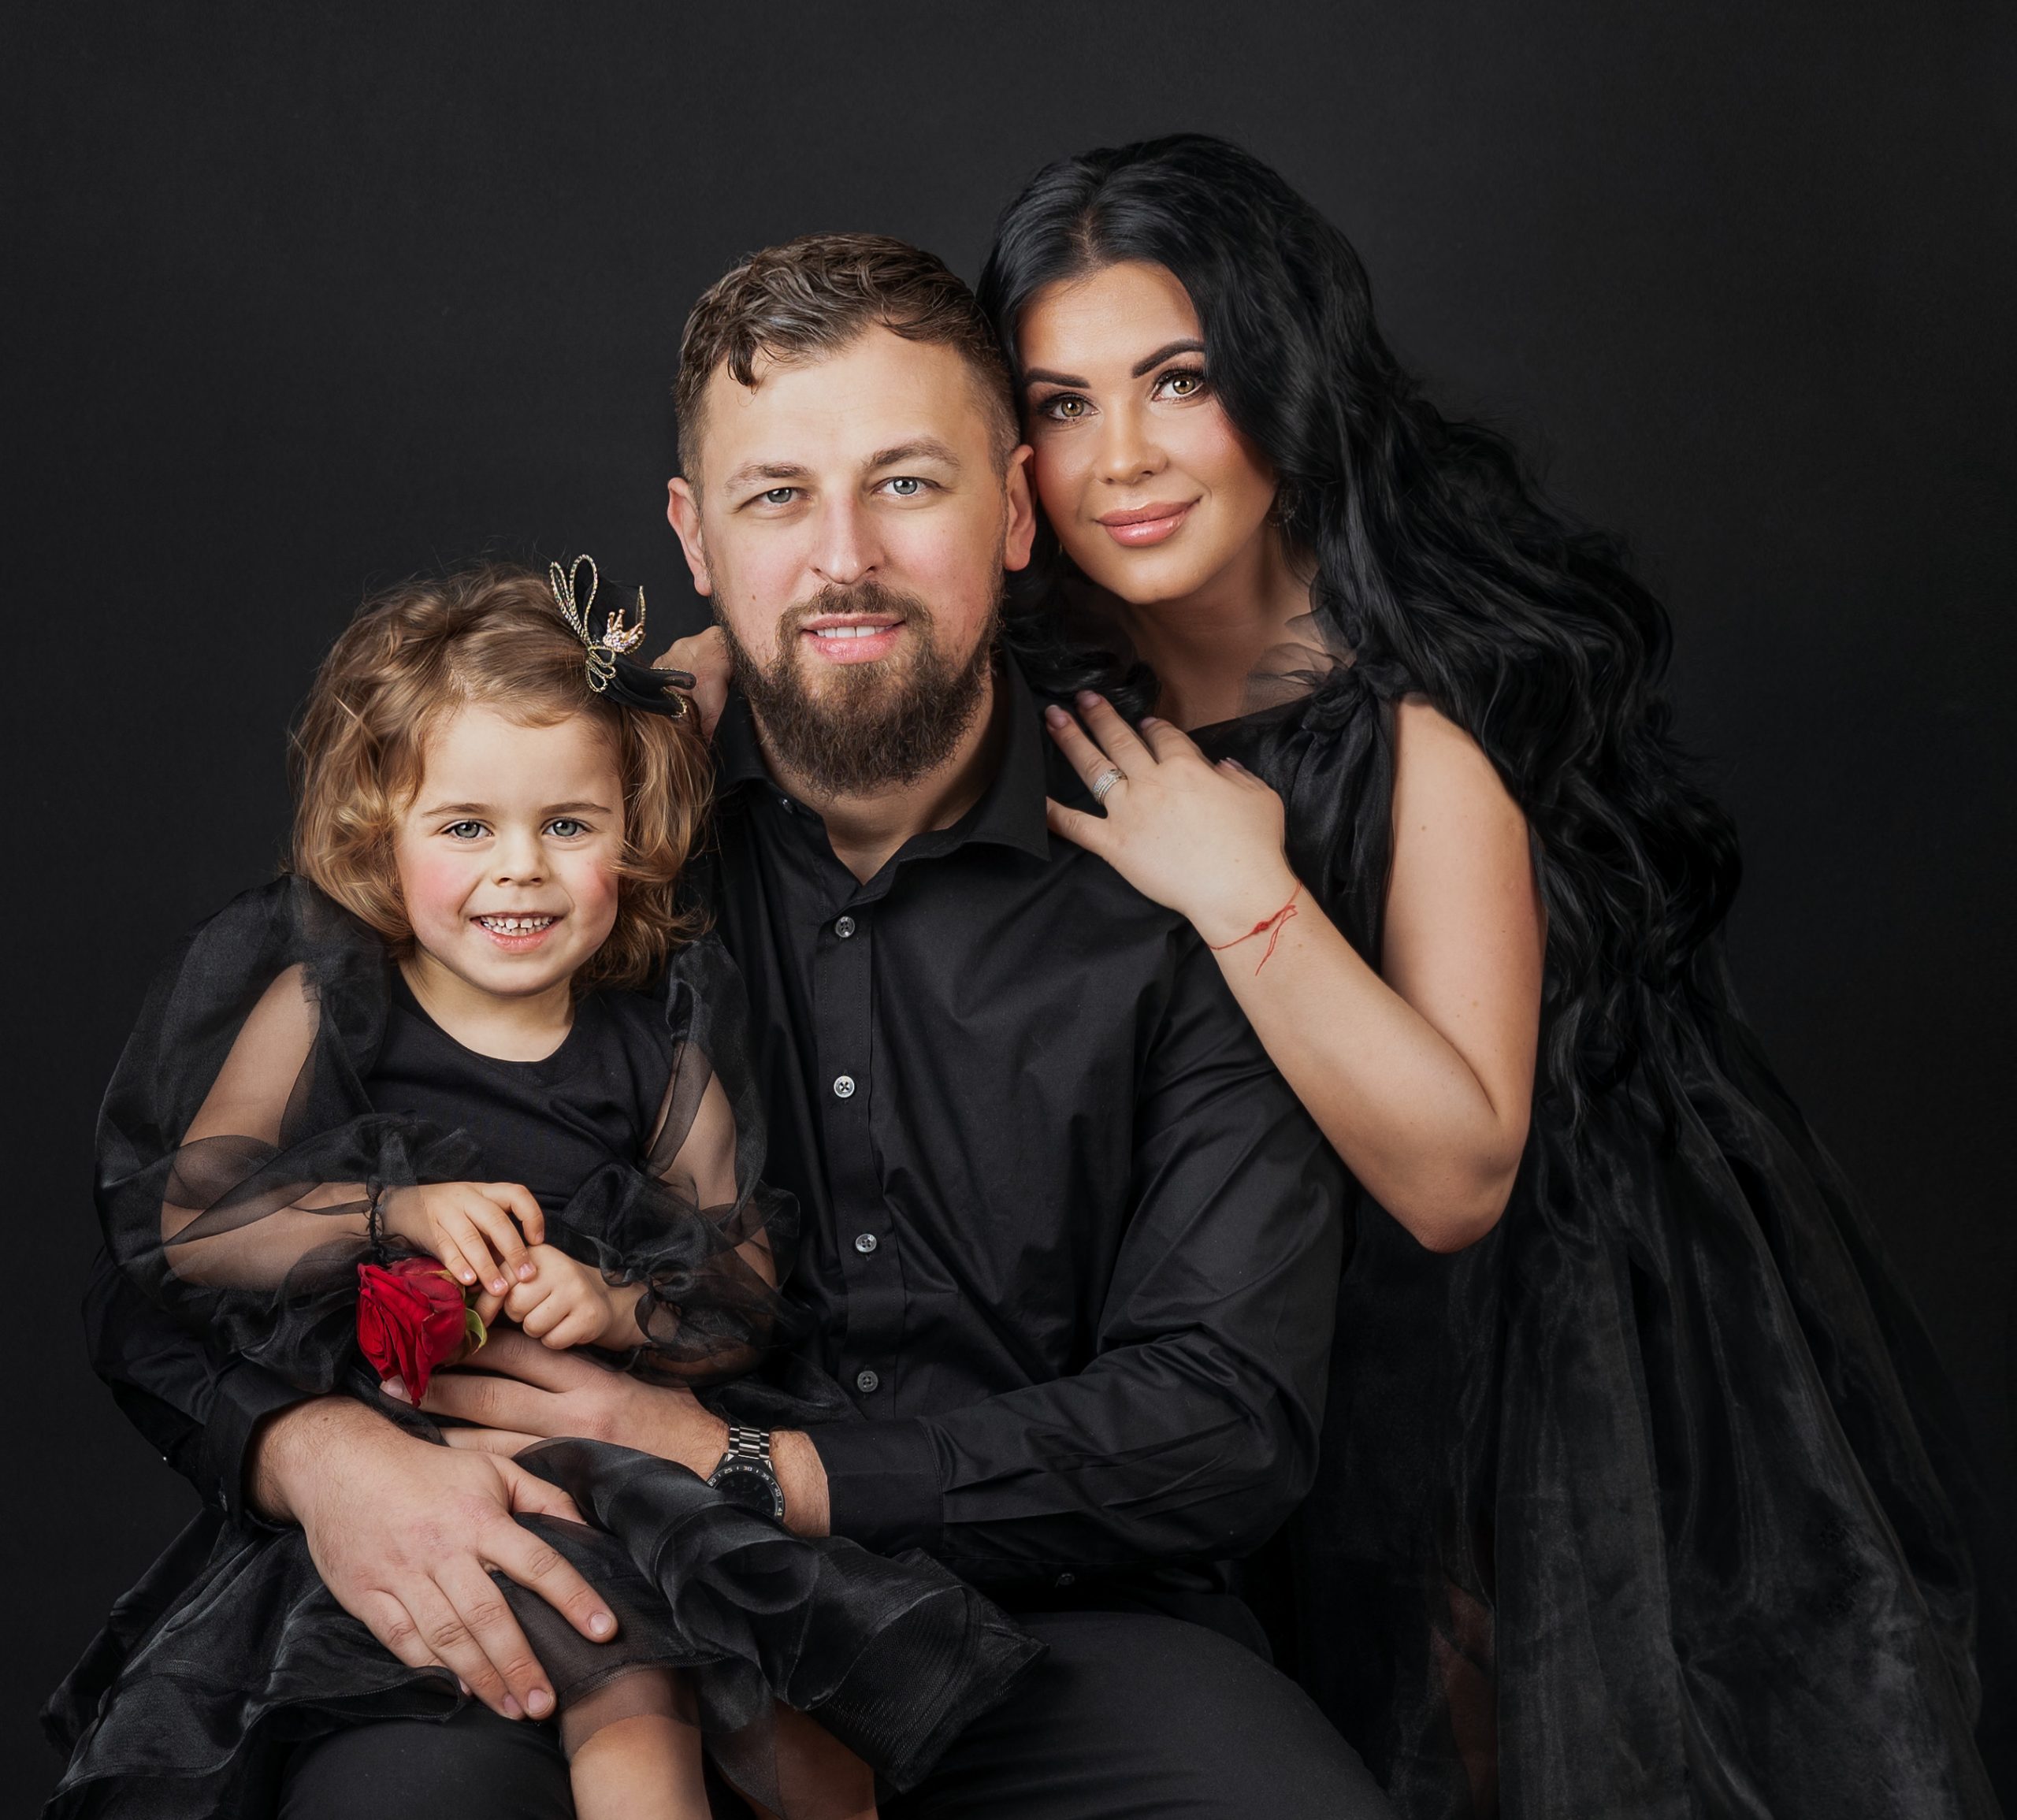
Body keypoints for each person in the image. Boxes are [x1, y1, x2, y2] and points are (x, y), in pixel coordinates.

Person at [65, 236, 1394, 1818]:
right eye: (777, 496)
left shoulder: (1177, 869)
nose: (843, 558)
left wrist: (760, 1467)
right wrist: (315, 1457)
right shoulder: (552, 842)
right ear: (696, 534)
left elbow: (1223, 1420)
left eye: (907, 484)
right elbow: (172, 1255)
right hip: (566, 1580)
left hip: (1054, 1617)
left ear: (1015, 510)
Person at [961, 132, 2010, 1818]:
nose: (1123, 459)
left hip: (1515, 1344)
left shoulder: (1422, 730)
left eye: (1180, 380)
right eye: (1063, 404)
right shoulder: (1044, 680)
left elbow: (1459, 1180)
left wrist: (1243, 890)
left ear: (1281, 378)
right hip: (1232, 1329)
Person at [47, 562, 1046, 1820]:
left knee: (811, 1763)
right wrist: (392, 1210)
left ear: (632, 831)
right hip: (423, 1466)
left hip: (622, 1464)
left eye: (567, 826)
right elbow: (192, 1226)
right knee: (631, 1714)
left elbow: (741, 1282)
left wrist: (618, 1305)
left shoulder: (658, 1035)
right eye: (465, 827)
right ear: (380, 825)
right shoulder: (325, 1004)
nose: (518, 869)